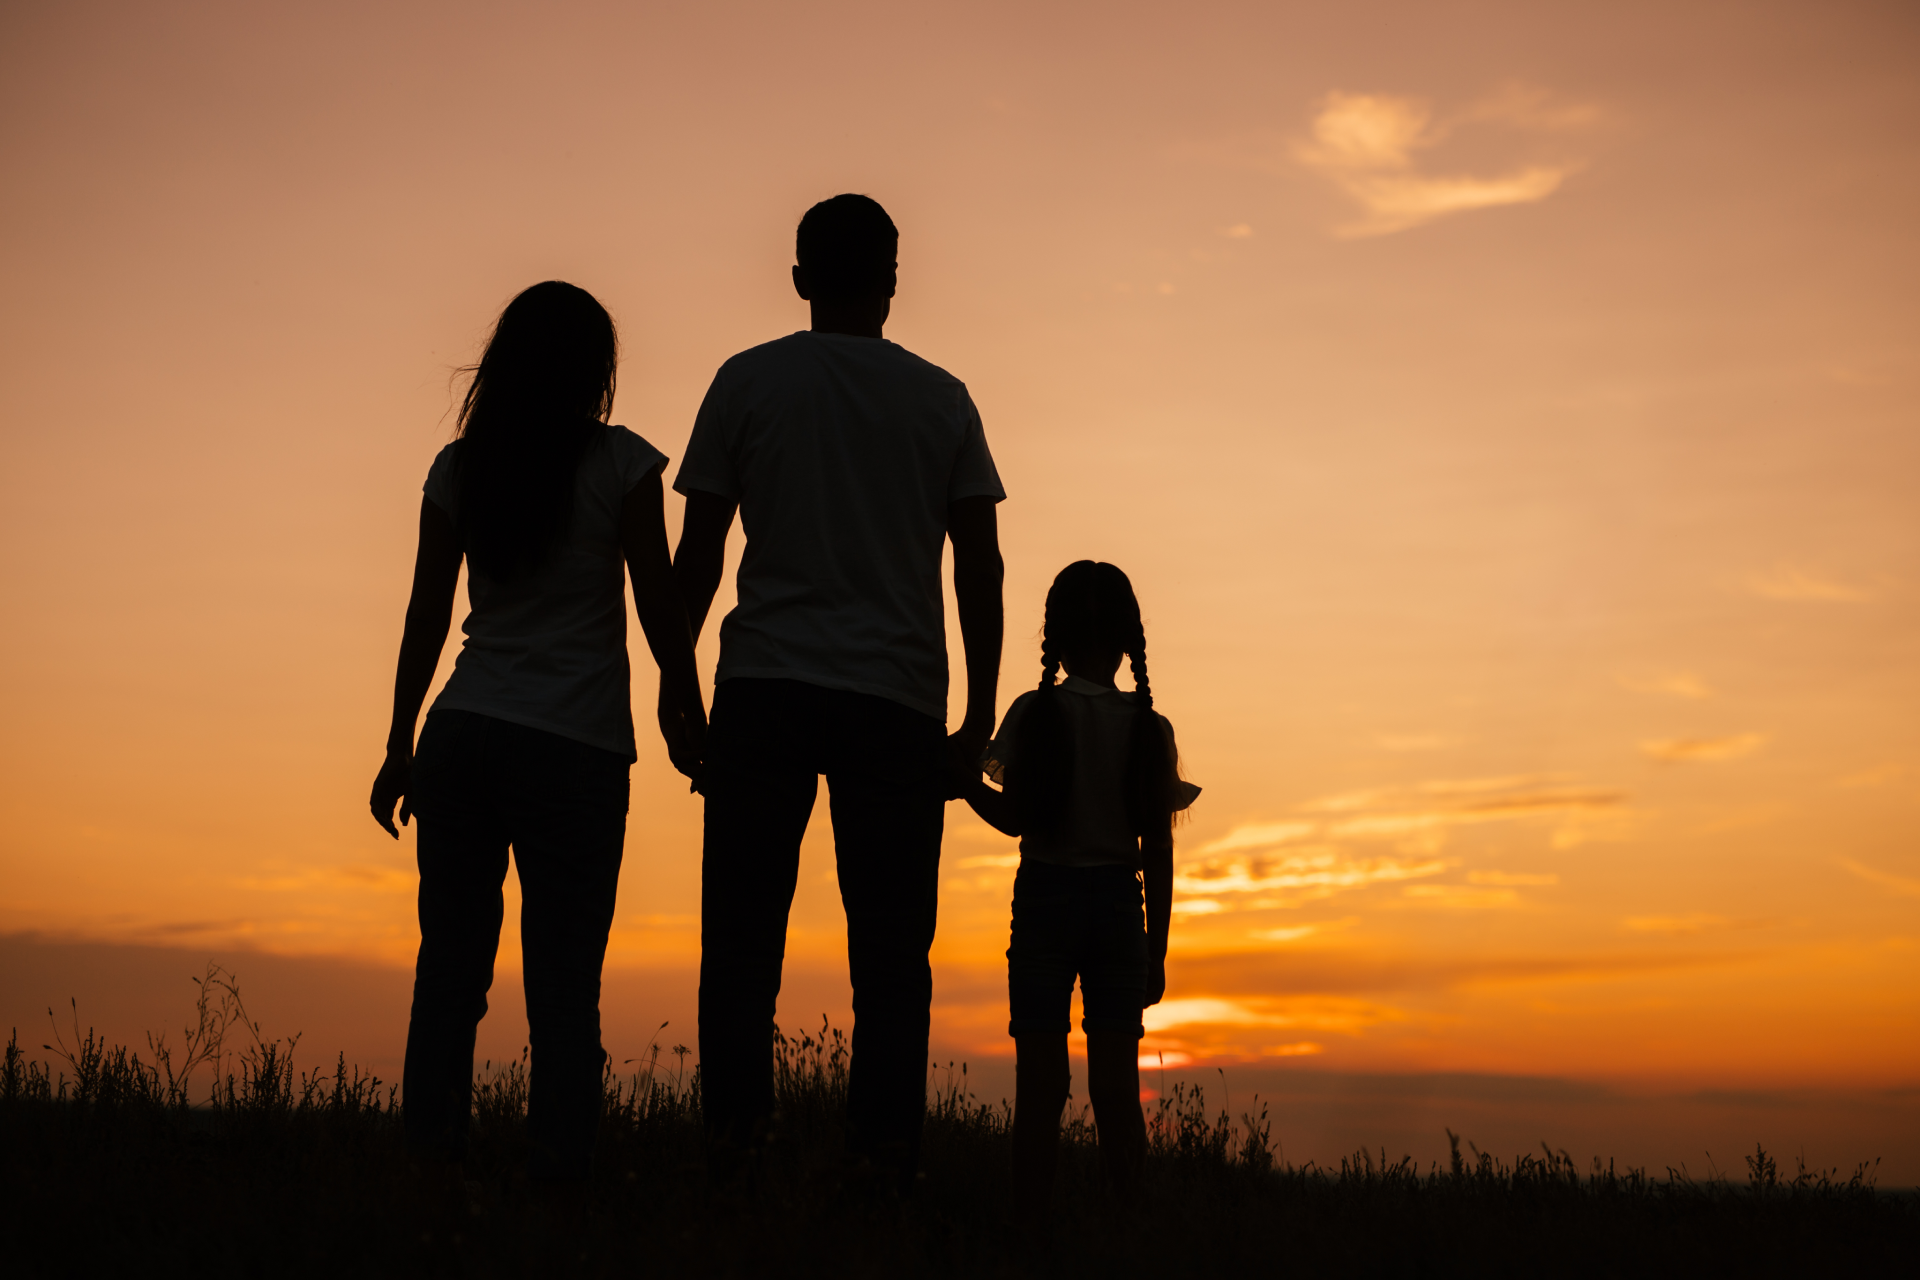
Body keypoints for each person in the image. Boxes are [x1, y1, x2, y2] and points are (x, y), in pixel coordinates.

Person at [670, 193, 1006, 1182]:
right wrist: (977, 714)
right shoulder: (942, 400)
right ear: (893, 280)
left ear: (801, 277)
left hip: (764, 688)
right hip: (896, 702)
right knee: (894, 958)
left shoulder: (747, 382)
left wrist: (674, 680)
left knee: (739, 944)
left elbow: (698, 554)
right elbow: (977, 568)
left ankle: (736, 1154)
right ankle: (883, 1166)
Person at [368, 281, 705, 1181]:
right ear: (595, 370)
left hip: (464, 733)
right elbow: (658, 602)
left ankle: (430, 1171)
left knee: (448, 974)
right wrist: (687, 701)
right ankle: (558, 1183)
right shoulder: (623, 466)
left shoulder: (461, 467)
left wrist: (400, 744)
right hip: (575, 750)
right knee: (563, 988)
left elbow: (424, 619)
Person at [962, 560, 1199, 1230]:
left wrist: (964, 782)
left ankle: (1028, 1231)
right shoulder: (1149, 728)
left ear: (1054, 639)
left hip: (1044, 901)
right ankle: (1125, 1231)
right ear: (1128, 642)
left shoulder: (1036, 714)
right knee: (1118, 1090)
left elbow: (1015, 820)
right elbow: (1158, 847)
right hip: (1120, 911)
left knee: (1039, 1085)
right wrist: (1157, 950)